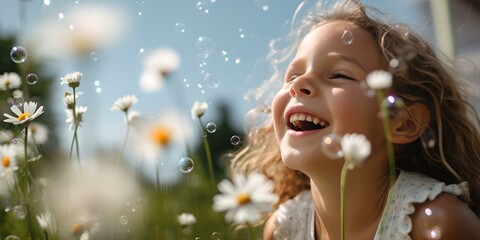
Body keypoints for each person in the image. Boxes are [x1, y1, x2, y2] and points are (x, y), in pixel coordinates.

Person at [230, 0, 480, 239]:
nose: (299, 84)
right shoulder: (282, 228)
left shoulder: (438, 223)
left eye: (340, 75)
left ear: (404, 122)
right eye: (292, 75)